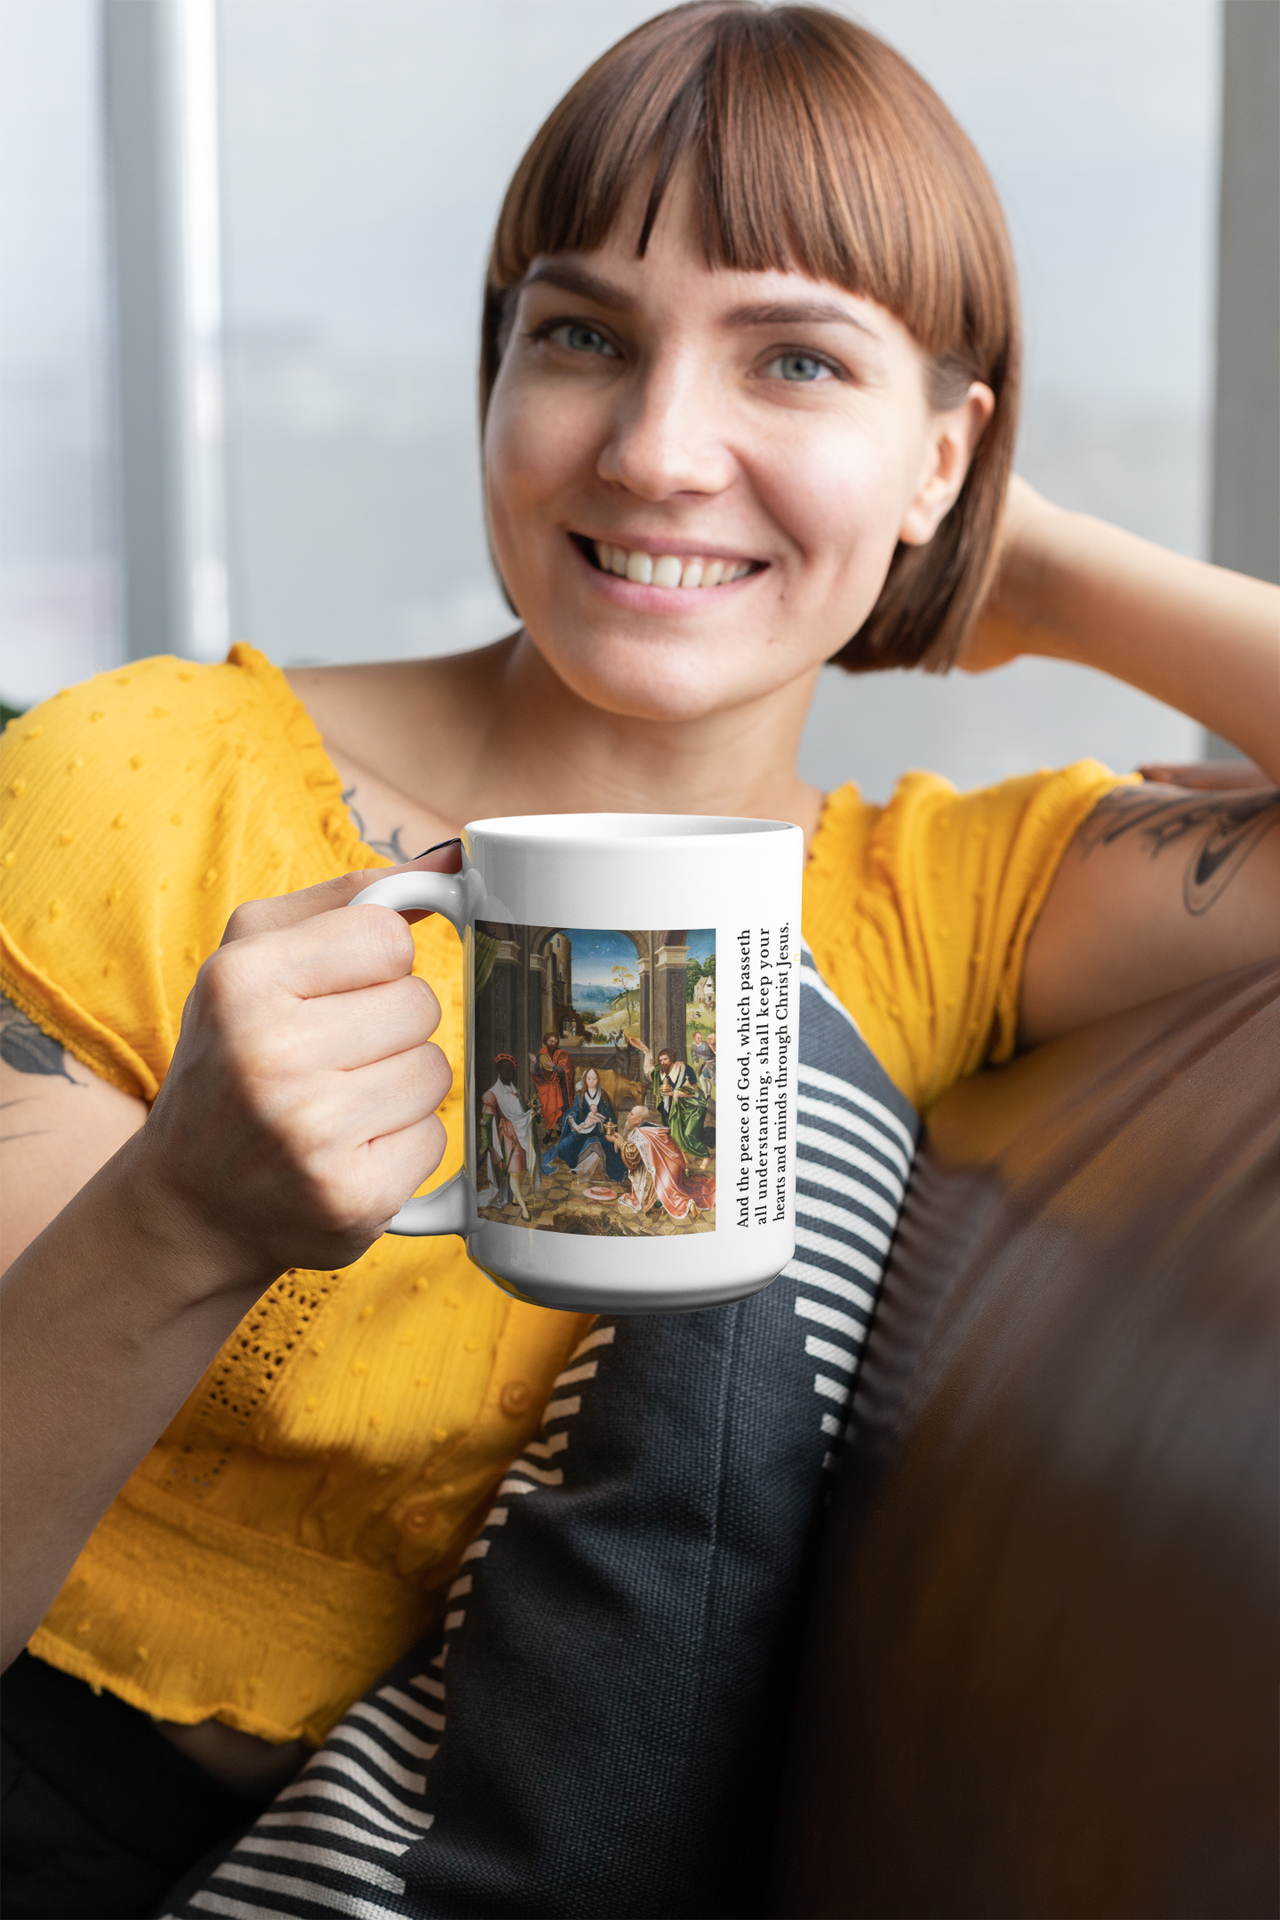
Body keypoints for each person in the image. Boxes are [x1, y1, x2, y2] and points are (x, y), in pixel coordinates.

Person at [1, 4, 1276, 1911]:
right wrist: (181, 1217)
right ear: (497, 382)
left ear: (947, 451)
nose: (663, 449)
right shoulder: (140, 779)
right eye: (584, 335)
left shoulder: (939, 906)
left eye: (797, 361)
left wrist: (1037, 564)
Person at [611, 1105, 717, 1222]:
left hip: (665, 1172)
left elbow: (631, 1154)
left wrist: (615, 1141)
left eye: (631, 1114)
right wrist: (621, 1139)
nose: (628, 1116)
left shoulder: (640, 1133)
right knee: (677, 1187)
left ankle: (686, 1203)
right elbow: (638, 1148)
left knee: (666, 1193)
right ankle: (688, 1203)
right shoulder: (654, 1127)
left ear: (639, 1120)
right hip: (676, 1167)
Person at [476, 1054, 539, 1218]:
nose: (510, 1074)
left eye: (512, 1071)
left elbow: (524, 1111)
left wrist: (533, 1111)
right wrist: (485, 1142)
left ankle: (516, 1199)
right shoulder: (493, 1094)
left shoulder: (517, 1092)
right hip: (508, 1137)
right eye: (507, 1071)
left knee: (523, 1169)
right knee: (514, 1171)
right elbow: (487, 1119)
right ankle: (524, 1209)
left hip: (522, 1133)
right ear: (499, 1070)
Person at [544, 1066, 627, 1183]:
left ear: (598, 1080)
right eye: (589, 1079)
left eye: (594, 1079)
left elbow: (609, 1116)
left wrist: (601, 1122)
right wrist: (572, 1117)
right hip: (583, 1130)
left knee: (602, 1148)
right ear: (585, 1080)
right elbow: (575, 1111)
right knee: (562, 1147)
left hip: (599, 1131)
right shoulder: (581, 1095)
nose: (592, 1082)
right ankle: (576, 1163)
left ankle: (586, 1168)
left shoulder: (602, 1096)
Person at [639, 1042, 712, 1166]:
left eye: (665, 1059)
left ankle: (705, 1155)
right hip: (668, 1107)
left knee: (688, 1134)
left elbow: (694, 1091)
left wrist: (674, 1094)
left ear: (672, 1058)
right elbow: (649, 1071)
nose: (663, 1062)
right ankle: (684, 1157)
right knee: (673, 1134)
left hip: (689, 1106)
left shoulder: (685, 1069)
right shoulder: (659, 1071)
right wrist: (647, 1052)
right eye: (660, 1060)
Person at [529, 1031, 575, 1137]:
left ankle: (559, 1130)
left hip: (558, 1087)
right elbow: (534, 1072)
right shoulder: (541, 1053)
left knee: (559, 1111)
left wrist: (554, 1066)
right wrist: (535, 1063)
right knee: (548, 1111)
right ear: (546, 1041)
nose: (553, 1044)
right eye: (551, 1041)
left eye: (555, 1042)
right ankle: (548, 1132)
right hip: (545, 1087)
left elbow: (567, 1070)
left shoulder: (561, 1053)